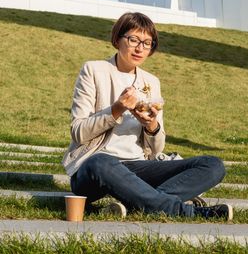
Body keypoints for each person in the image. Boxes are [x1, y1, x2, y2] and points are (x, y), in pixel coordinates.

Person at [62, 12, 233, 220]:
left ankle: (138, 202)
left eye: (147, 43)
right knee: (101, 162)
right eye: (133, 39)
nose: (140, 48)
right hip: (94, 168)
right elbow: (78, 133)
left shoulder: (151, 82)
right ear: (117, 39)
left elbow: (157, 149)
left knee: (213, 165)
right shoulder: (94, 70)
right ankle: (183, 210)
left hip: (138, 167)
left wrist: (151, 125)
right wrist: (116, 109)